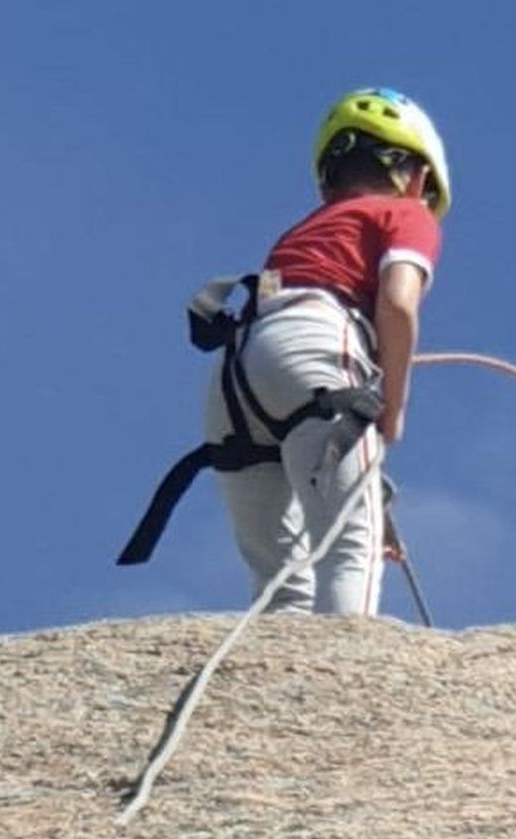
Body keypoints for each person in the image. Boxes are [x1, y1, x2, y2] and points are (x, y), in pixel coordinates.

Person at [118, 87, 449, 617]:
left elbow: (310, 427)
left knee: (280, 585)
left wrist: (372, 490)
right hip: (316, 349)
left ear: (326, 180)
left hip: (237, 377)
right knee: (348, 547)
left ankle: (284, 684)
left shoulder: (306, 231)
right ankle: (345, 687)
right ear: (418, 178)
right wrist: (393, 406)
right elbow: (398, 304)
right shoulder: (405, 215)